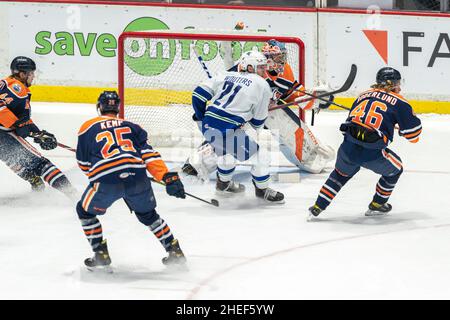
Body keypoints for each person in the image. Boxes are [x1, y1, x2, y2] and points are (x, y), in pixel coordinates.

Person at [182, 39, 334, 179]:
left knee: (281, 118)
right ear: (268, 59)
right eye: (278, 58)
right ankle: (198, 163)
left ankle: (308, 154)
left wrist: (314, 100)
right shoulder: (249, 68)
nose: (283, 61)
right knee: (232, 136)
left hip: (264, 112)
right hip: (241, 112)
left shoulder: (285, 71)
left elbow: (292, 94)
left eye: (283, 57)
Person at [76, 91, 187, 271]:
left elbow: (83, 163)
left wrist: (99, 175)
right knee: (149, 215)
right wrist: (167, 177)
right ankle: (175, 251)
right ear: (117, 107)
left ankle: (100, 254)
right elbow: (149, 156)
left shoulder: (87, 127)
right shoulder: (132, 126)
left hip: (106, 179)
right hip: (138, 176)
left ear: (100, 107)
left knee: (84, 211)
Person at [308, 67, 422, 219]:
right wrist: (402, 130)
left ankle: (318, 206)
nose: (399, 87)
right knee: (396, 169)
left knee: (340, 175)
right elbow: (414, 136)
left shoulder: (363, 95)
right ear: (390, 83)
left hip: (347, 148)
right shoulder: (400, 102)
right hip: (371, 153)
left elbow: (355, 120)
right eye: (397, 83)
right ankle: (377, 204)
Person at [192, 51, 284, 203]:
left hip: (208, 126)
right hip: (228, 129)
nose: (264, 71)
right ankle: (262, 190)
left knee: (227, 154)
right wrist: (253, 115)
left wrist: (203, 117)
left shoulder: (224, 75)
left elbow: (198, 95)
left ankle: (223, 184)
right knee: (261, 157)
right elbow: (257, 123)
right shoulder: (262, 85)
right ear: (249, 67)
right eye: (260, 68)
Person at [0, 56, 76, 197]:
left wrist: (38, 133)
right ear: (22, 74)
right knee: (40, 164)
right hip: (2, 135)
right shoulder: (17, 88)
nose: (33, 76)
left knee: (15, 160)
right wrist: (14, 123)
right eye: (31, 73)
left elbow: (22, 119)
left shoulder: (8, 84)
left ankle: (36, 182)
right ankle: (73, 194)